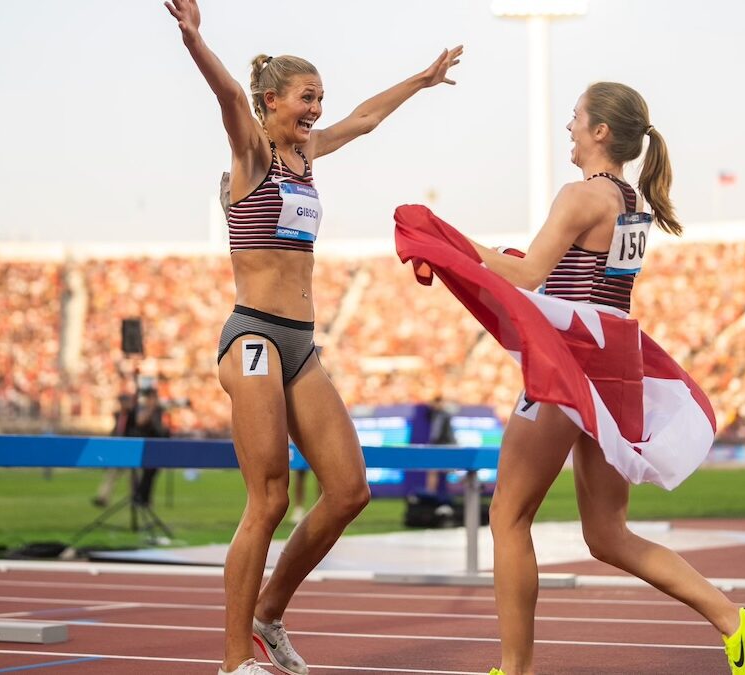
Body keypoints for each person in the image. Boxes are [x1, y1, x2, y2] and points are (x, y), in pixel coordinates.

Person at [411, 82, 745, 675]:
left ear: (600, 131)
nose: (569, 127)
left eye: (575, 117)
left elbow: (527, 275)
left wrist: (448, 241)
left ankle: (515, 668)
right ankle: (736, 622)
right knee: (607, 533)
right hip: (613, 364)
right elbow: (571, 278)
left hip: (571, 360)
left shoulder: (581, 196)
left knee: (508, 515)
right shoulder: (633, 204)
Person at [162, 2, 462, 674]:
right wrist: (194, 39)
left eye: (320, 97)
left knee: (350, 489)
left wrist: (421, 80)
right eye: (306, 97)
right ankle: (235, 661)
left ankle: (268, 613)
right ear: (272, 100)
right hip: (254, 336)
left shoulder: (308, 153)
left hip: (301, 341)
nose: (317, 109)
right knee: (268, 498)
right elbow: (227, 94)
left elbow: (365, 118)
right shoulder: (252, 150)